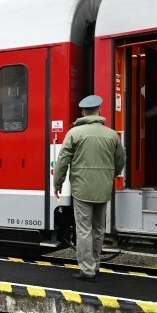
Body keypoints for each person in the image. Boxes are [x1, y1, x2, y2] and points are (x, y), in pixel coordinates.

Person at [53, 95, 126, 282]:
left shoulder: (75, 133)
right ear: (99, 111)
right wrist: (110, 175)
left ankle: (87, 269)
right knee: (99, 228)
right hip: (103, 188)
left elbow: (62, 161)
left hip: (82, 188)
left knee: (83, 228)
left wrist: (57, 184)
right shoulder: (111, 134)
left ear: (83, 112)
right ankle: (96, 264)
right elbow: (120, 161)